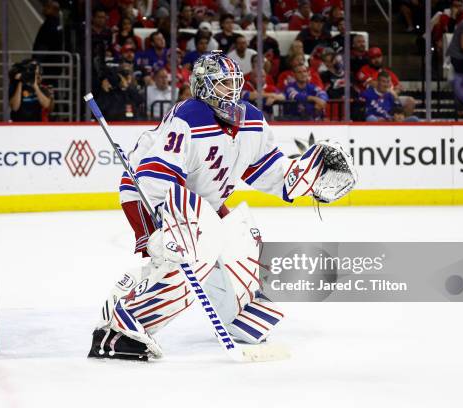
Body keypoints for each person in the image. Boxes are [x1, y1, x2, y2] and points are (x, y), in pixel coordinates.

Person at [87, 51, 356, 361]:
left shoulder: (251, 119)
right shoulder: (189, 116)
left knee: (242, 239)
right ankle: (118, 330)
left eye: (235, 83)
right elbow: (156, 172)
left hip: (203, 202)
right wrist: (167, 222)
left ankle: (237, 313)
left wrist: (306, 179)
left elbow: (270, 171)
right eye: (223, 84)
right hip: (152, 194)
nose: (233, 90)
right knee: (185, 254)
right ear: (203, 86)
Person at [33, 1, 63, 86]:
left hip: (49, 65)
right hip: (52, 64)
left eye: (47, 7)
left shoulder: (51, 25)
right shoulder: (54, 24)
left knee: (47, 88)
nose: (44, 9)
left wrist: (36, 61)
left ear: (54, 10)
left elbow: (44, 44)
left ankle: (92, 100)